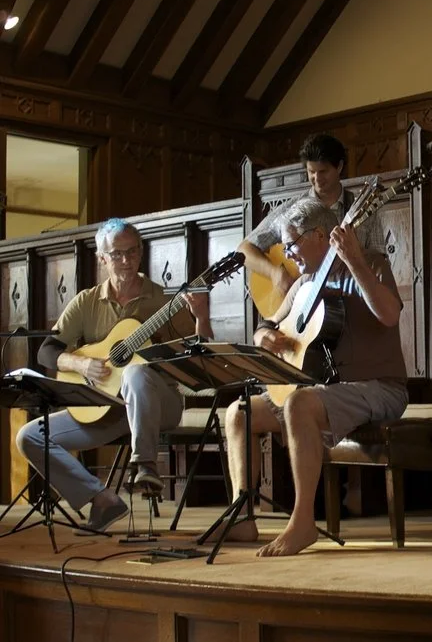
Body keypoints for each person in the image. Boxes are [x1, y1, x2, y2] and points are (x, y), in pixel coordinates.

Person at [216, 197, 408, 557]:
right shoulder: (303, 284)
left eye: (292, 244)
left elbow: (389, 315)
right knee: (238, 412)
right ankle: (242, 515)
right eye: (285, 246)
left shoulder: (372, 263)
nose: (288, 254)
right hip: (324, 390)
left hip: (378, 387)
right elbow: (267, 325)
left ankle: (303, 521)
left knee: (299, 402)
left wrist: (354, 260)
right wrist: (264, 337)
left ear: (320, 235)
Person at [16, 218, 213, 532]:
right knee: (29, 436)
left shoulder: (161, 300)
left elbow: (199, 355)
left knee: (136, 372)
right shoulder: (87, 301)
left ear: (140, 252)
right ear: (102, 258)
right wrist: (80, 365)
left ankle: (146, 465)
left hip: (160, 404)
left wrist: (201, 315)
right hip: (109, 407)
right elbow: (47, 352)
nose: (126, 260)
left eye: (132, 252)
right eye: (117, 254)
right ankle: (102, 499)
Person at [238, 133, 386, 303]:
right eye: (311, 172)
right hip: (302, 306)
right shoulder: (292, 210)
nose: (317, 179)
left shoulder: (362, 207)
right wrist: (275, 273)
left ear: (339, 167)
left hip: (351, 302)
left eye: (323, 171)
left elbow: (378, 261)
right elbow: (244, 250)